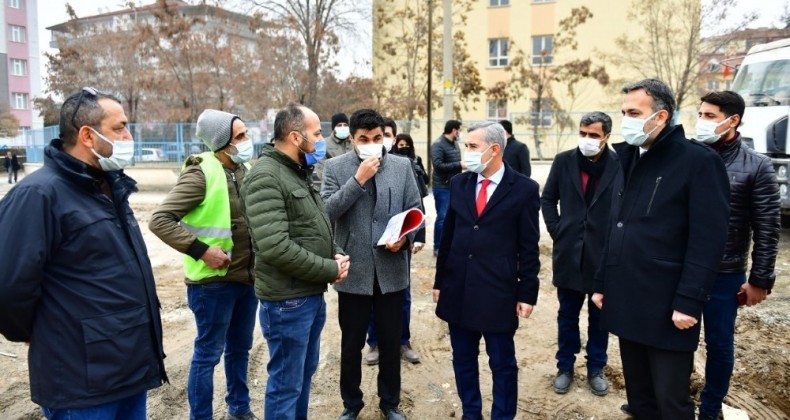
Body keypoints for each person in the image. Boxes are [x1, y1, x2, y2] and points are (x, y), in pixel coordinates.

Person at [0, 87, 167, 419]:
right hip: (82, 382)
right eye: (119, 127)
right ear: (88, 136)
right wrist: (36, 333)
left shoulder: (110, 187)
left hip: (128, 370)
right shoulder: (39, 195)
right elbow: (8, 286)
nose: (128, 135)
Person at [591, 79, 731, 419]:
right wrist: (600, 282)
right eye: (624, 112)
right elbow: (615, 225)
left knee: (671, 402)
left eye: (634, 112)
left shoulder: (698, 162)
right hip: (627, 297)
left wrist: (689, 301)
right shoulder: (626, 157)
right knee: (640, 400)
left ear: (661, 116)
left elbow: (708, 239)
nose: (626, 120)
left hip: (669, 305)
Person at [240, 103, 349, 420]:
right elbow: (275, 246)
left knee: (301, 379)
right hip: (288, 303)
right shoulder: (266, 178)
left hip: (307, 296)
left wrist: (336, 251)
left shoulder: (297, 172)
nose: (322, 139)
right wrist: (330, 269)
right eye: (317, 133)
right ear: (295, 137)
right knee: (286, 385)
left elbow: (313, 224)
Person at [149, 109, 258, 420]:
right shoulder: (201, 173)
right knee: (207, 355)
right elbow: (160, 220)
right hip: (213, 283)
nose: (247, 140)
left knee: (239, 350)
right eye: (240, 136)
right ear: (221, 142)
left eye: (246, 133)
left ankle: (238, 409)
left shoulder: (243, 169)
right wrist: (201, 250)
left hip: (245, 278)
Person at [433, 121, 541, 420]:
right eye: (465, 146)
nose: (464, 153)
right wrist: (440, 280)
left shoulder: (524, 190)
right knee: (463, 360)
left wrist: (527, 292)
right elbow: (449, 237)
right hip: (458, 288)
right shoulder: (459, 183)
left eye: (471, 147)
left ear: (494, 150)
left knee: (502, 363)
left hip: (498, 291)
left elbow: (529, 247)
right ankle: (472, 413)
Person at [321, 109, 421, 420]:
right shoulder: (335, 167)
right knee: (351, 346)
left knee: (391, 344)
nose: (371, 144)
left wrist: (404, 239)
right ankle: (351, 404)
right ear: (352, 138)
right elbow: (326, 212)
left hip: (391, 270)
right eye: (364, 139)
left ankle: (390, 403)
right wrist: (357, 180)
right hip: (354, 271)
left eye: (377, 138)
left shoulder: (402, 167)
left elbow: (415, 209)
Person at [692, 91, 780, 420]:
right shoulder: (686, 155)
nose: (701, 121)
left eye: (710, 116)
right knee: (673, 335)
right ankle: (670, 397)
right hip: (680, 267)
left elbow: (767, 228)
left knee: (718, 343)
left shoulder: (756, 166)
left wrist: (760, 281)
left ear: (733, 121)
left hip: (724, 273)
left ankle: (711, 408)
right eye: (700, 114)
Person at [541, 111, 619, 397]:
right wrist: (557, 230)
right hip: (569, 252)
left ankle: (596, 367)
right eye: (583, 133)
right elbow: (548, 198)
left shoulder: (620, 164)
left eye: (594, 135)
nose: (587, 139)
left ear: (606, 137)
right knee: (567, 315)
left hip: (604, 255)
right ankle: (565, 366)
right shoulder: (564, 161)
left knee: (600, 317)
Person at [364, 129, 424, 366]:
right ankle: (375, 342)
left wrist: (412, 238)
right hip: (370, 248)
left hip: (398, 247)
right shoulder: (360, 168)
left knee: (402, 297)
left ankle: (403, 340)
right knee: (370, 296)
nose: (381, 142)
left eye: (383, 136)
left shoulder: (404, 166)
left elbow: (416, 206)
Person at [430, 119, 465, 257]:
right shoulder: (438, 145)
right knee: (442, 217)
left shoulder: (455, 144)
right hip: (442, 186)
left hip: (455, 186)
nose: (460, 133)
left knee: (454, 217)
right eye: (459, 130)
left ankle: (450, 244)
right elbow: (438, 165)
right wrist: (460, 165)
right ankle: (437, 246)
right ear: (454, 130)